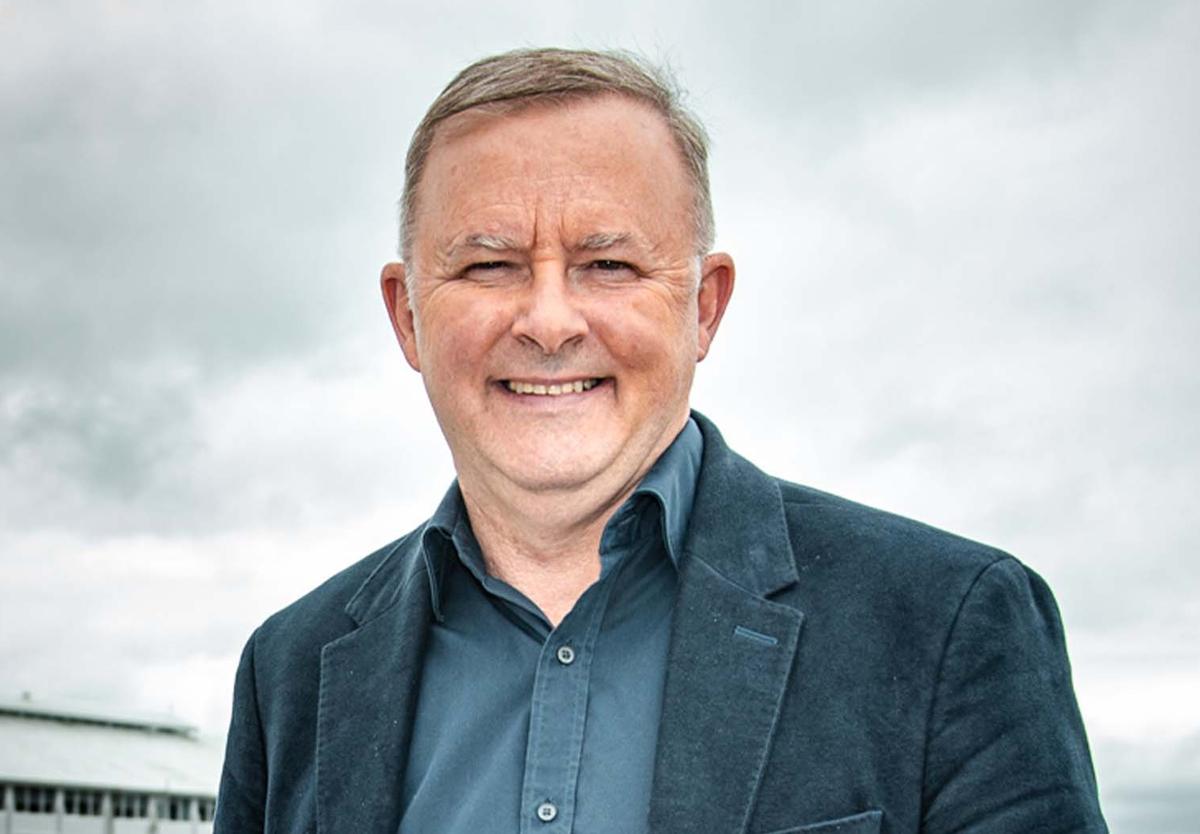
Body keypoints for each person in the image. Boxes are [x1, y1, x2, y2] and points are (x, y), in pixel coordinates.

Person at [214, 48, 1107, 833]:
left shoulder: (948, 624)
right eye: (490, 265)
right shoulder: (289, 672)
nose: (550, 320)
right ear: (407, 315)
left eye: (609, 265)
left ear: (704, 306)